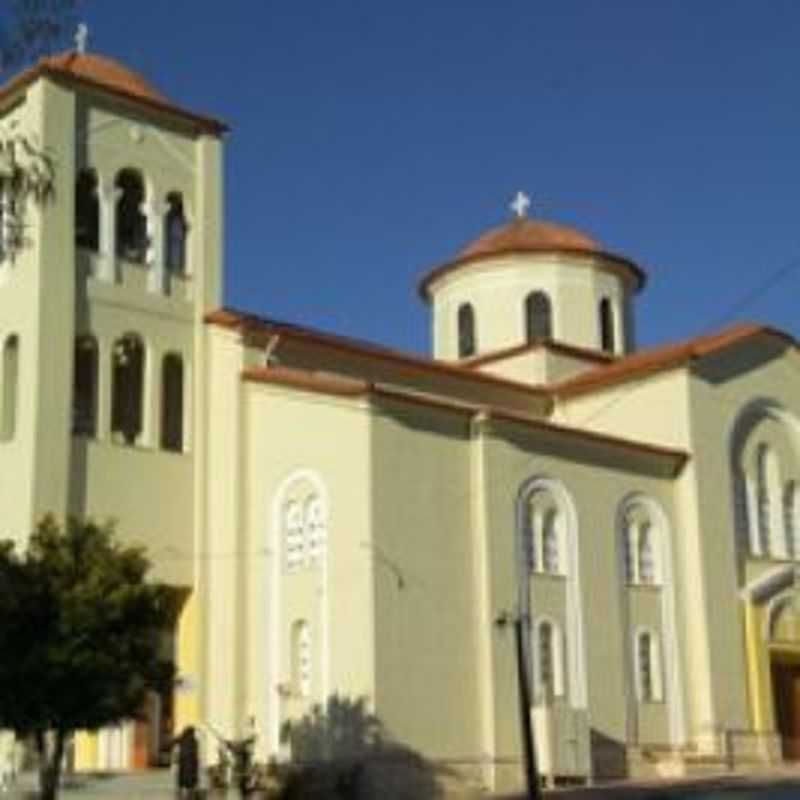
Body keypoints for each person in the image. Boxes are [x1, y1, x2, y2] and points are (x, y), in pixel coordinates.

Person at [174, 726, 199, 798]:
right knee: (189, 780)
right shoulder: (194, 740)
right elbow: (195, 752)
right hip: (189, 762)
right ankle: (189, 793)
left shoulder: (182, 739)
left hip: (185, 761)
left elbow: (173, 742)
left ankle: (184, 793)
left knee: (184, 779)